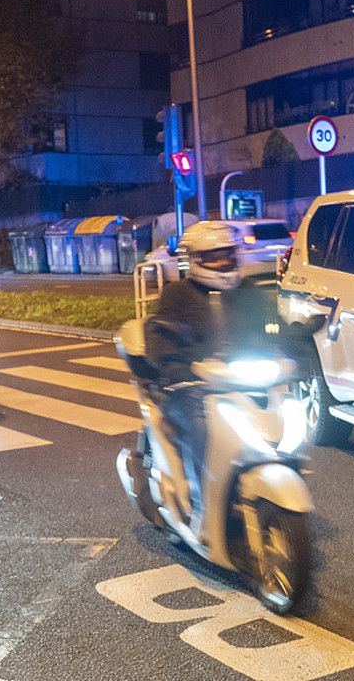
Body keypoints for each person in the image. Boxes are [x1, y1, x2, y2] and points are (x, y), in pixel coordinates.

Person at [143, 221, 280, 542]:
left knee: (284, 418)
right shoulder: (177, 295)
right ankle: (200, 504)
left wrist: (292, 349)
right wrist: (180, 367)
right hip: (192, 390)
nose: (224, 263)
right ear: (196, 260)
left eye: (228, 255)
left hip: (242, 384)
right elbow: (160, 337)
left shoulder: (250, 294)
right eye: (214, 257)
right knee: (201, 429)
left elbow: (276, 331)